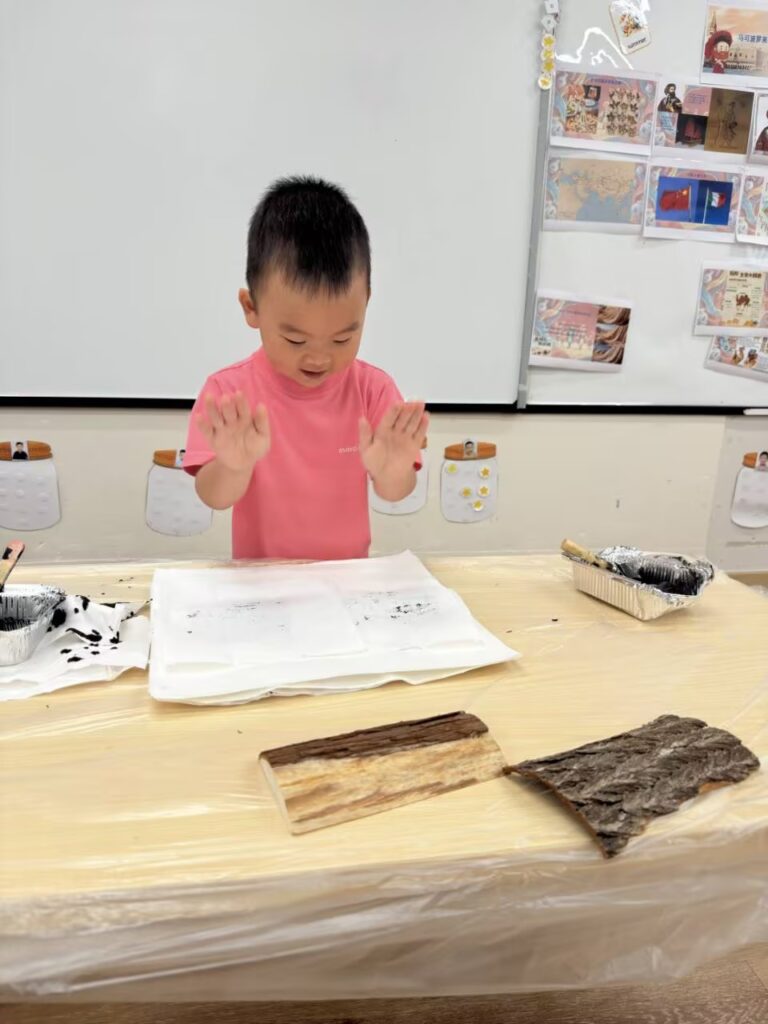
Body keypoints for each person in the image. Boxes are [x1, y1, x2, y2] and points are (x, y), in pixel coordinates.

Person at [184, 176, 427, 561]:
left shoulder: (373, 389)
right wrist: (233, 466)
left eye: (342, 339)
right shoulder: (229, 394)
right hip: (262, 584)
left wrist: (392, 469)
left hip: (347, 584)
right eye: (296, 340)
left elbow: (395, 491)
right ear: (251, 308)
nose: (319, 359)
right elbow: (213, 497)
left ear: (366, 301)